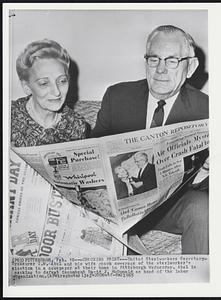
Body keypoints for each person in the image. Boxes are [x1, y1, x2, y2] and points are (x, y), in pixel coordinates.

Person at [92, 25, 209, 254]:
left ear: (190, 66)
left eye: (172, 60)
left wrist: (205, 171)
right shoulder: (117, 97)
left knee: (202, 209)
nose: (161, 70)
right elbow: (94, 151)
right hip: (120, 205)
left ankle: (197, 286)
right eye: (154, 59)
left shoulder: (207, 109)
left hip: (171, 206)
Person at [11, 39, 89, 147]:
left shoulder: (77, 125)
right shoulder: (9, 117)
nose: (56, 92)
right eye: (44, 83)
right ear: (27, 87)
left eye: (62, 81)